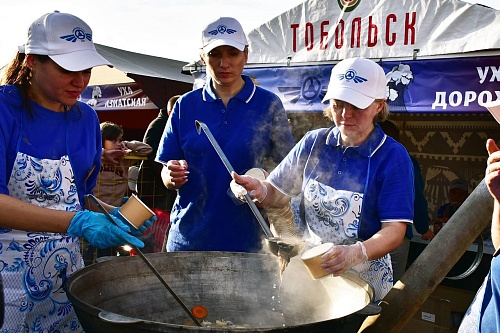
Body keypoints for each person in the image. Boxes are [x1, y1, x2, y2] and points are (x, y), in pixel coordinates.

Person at [0, 11, 153, 331]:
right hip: (7, 286)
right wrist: (78, 222)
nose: (81, 81)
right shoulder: (4, 112)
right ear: (31, 61)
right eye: (67, 69)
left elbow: (78, 198)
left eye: (86, 69)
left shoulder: (86, 119)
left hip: (67, 276)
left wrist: (116, 216)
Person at [232, 57, 415, 303]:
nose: (345, 115)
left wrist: (355, 253)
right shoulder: (314, 142)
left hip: (363, 275)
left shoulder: (393, 156)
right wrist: (261, 191)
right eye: (338, 105)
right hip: (312, 269)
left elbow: (394, 231)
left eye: (357, 106)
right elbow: (277, 192)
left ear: (378, 105)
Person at [156, 17, 295, 253]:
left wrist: (263, 183)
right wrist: (171, 175)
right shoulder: (185, 105)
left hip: (250, 244)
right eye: (215, 54)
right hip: (188, 240)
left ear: (246, 55)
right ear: (203, 57)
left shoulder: (268, 104)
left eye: (232, 53)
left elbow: (288, 172)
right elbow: (165, 173)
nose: (224, 62)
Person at [379, 120, 435, 282]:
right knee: (391, 289)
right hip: (396, 237)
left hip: (368, 237)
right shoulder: (406, 161)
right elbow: (416, 196)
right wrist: (423, 228)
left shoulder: (366, 159)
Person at [138, 95, 180, 211]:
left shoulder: (171, 125)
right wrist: (165, 172)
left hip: (164, 184)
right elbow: (150, 151)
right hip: (155, 186)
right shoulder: (159, 125)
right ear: (171, 112)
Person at [96, 121, 152, 207]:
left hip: (115, 208)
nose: (118, 144)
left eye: (119, 140)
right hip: (95, 206)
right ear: (101, 140)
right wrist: (104, 152)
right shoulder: (95, 157)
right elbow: (82, 152)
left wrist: (127, 144)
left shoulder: (124, 157)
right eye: (114, 141)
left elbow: (147, 149)